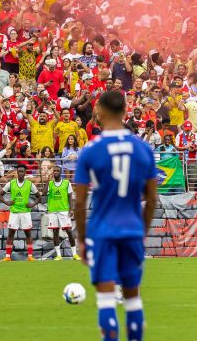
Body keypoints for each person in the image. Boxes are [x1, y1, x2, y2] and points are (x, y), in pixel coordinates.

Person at [73, 90, 159, 341]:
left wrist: (82, 239)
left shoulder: (91, 150)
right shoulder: (142, 148)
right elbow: (152, 198)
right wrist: (142, 232)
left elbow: (79, 200)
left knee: (106, 299)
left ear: (99, 111)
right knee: (132, 299)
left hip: (102, 231)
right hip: (132, 229)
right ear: (124, 111)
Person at [1, 165, 39, 261]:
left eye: (22, 171)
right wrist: (7, 202)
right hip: (14, 212)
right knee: (10, 234)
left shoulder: (30, 184)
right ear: (17, 172)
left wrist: (32, 204)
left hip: (25, 212)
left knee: (28, 234)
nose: (20, 173)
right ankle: (7, 257)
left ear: (25, 172)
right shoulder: (11, 183)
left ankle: (30, 256)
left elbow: (39, 196)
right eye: (19, 171)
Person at [45, 164, 80, 260]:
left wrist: (71, 209)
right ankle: (58, 255)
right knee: (55, 232)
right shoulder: (51, 183)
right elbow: (44, 193)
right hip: (52, 211)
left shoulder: (66, 183)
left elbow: (70, 196)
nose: (55, 172)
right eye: (54, 171)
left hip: (64, 210)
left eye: (57, 171)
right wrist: (48, 181)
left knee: (69, 231)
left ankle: (74, 254)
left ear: (61, 172)